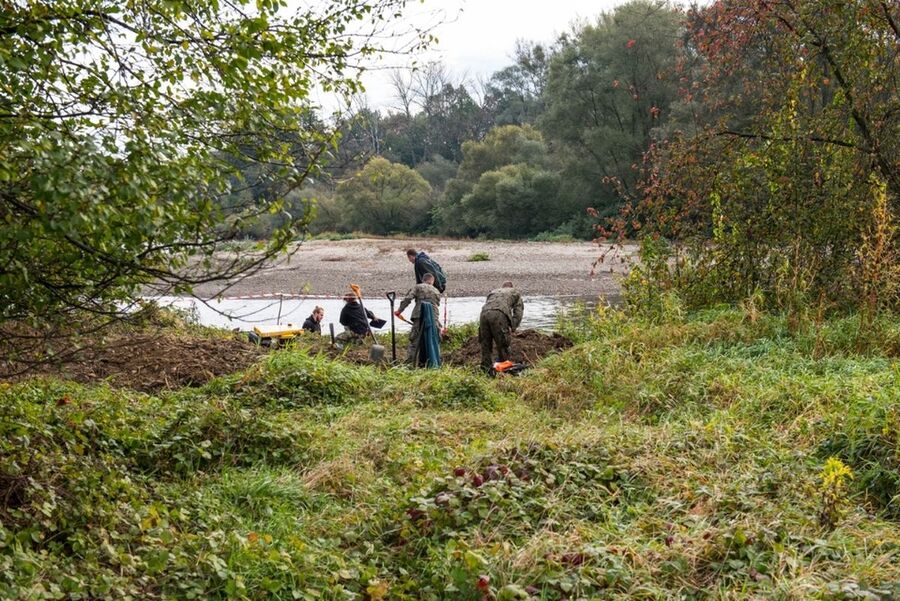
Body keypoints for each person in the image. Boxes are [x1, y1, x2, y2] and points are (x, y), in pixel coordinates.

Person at [396, 273, 442, 366]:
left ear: (423, 280)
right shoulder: (436, 290)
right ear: (432, 281)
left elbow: (408, 299)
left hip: (419, 315)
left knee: (415, 339)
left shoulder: (418, 287)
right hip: (433, 317)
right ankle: (434, 362)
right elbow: (437, 304)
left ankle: (410, 363)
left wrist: (399, 311)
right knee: (433, 338)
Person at [479, 281, 524, 373]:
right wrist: (514, 326)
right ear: (511, 287)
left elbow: (489, 305)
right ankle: (504, 370)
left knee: (485, 344)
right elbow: (518, 312)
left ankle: (486, 370)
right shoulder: (515, 292)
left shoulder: (493, 292)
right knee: (503, 344)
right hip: (499, 313)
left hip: (483, 314)